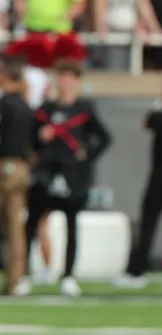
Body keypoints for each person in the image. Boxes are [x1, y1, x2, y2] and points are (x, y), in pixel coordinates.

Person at [15, 61, 112, 297]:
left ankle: (68, 276)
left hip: (73, 175)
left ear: (76, 81)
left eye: (70, 78)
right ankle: (24, 275)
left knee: (71, 227)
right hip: (46, 173)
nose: (65, 82)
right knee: (31, 226)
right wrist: (39, 141)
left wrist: (85, 155)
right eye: (62, 77)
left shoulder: (84, 109)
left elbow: (104, 138)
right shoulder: (44, 109)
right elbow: (29, 140)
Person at [114, 77, 162, 290]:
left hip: (158, 179)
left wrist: (161, 102)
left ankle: (136, 272)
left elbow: (146, 122)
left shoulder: (160, 118)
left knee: (148, 226)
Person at [0, 60, 33, 295]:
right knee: (15, 228)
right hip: (21, 167)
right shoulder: (26, 106)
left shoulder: (5, 106)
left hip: (3, 166)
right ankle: (16, 280)